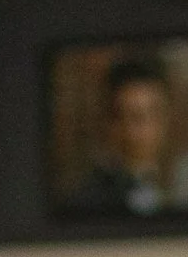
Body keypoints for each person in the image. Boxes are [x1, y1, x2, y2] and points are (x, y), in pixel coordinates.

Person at [66, 57, 174, 217]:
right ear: (106, 123)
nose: (131, 132)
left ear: (164, 120)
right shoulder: (87, 202)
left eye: (141, 117)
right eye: (119, 117)